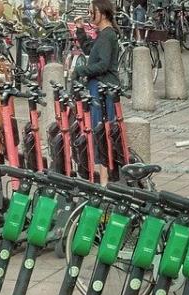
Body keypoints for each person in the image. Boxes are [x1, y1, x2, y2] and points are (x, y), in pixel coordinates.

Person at [72, 0, 120, 182]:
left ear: (102, 11)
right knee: (97, 130)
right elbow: (89, 50)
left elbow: (103, 64)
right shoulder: (103, 35)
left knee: (101, 132)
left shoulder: (108, 36)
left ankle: (105, 182)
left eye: (92, 11)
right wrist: (80, 29)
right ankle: (102, 178)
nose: (90, 14)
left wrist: (80, 71)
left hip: (103, 88)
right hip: (98, 87)